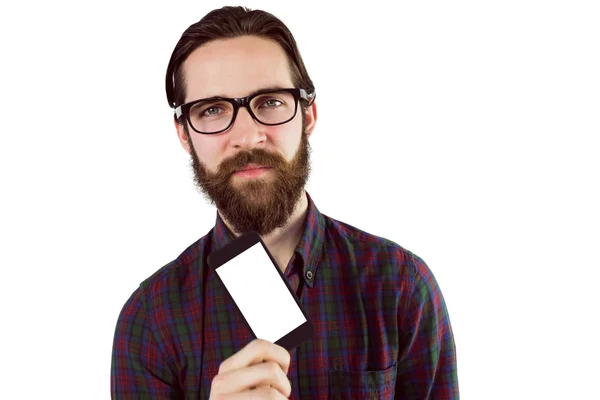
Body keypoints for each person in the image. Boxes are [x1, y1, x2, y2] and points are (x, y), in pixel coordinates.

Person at [110, 6, 459, 399]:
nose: (248, 135)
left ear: (308, 114)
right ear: (184, 134)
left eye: (270, 102)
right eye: (211, 110)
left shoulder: (401, 287)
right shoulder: (150, 321)